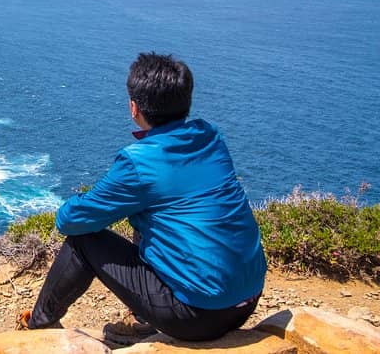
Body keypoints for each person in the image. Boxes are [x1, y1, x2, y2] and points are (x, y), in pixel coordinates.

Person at [22, 52, 266, 342]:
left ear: (134, 107)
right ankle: (141, 323)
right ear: (186, 100)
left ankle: (38, 329)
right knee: (150, 217)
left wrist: (77, 204)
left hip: (198, 316)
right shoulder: (210, 136)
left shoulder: (140, 162)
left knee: (84, 240)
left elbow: (70, 222)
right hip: (248, 299)